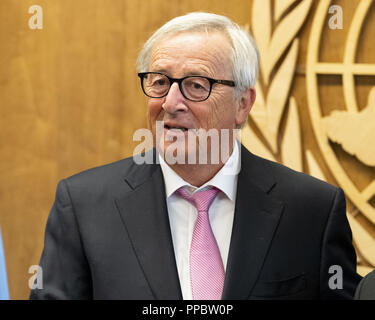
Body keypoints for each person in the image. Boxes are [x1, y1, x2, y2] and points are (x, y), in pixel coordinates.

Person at [30, 12, 361, 300]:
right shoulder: (84, 205)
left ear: (243, 104)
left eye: (196, 85)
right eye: (160, 82)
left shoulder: (312, 209)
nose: (171, 103)